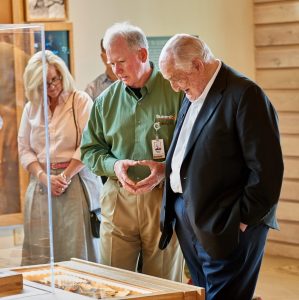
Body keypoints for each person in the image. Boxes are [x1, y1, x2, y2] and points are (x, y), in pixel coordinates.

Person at [158, 34, 284, 299]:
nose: (174, 87)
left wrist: (241, 220)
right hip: (192, 219)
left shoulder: (245, 94)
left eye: (176, 78)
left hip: (228, 223)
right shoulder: (193, 90)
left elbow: (267, 170)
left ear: (197, 65)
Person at [80, 22, 184, 281]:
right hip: (118, 201)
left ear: (143, 55)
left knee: (162, 286)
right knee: (113, 283)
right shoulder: (105, 101)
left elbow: (196, 149)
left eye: (120, 62)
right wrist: (114, 165)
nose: (115, 70)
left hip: (163, 200)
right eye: (110, 63)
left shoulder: (177, 93)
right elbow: (90, 150)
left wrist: (165, 170)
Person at [18, 50, 101, 265]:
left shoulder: (79, 100)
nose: (53, 85)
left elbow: (89, 143)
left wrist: (63, 177)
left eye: (55, 78)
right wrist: (44, 177)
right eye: (44, 82)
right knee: (41, 250)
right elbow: (24, 149)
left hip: (74, 179)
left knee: (76, 247)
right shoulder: (31, 108)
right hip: (41, 183)